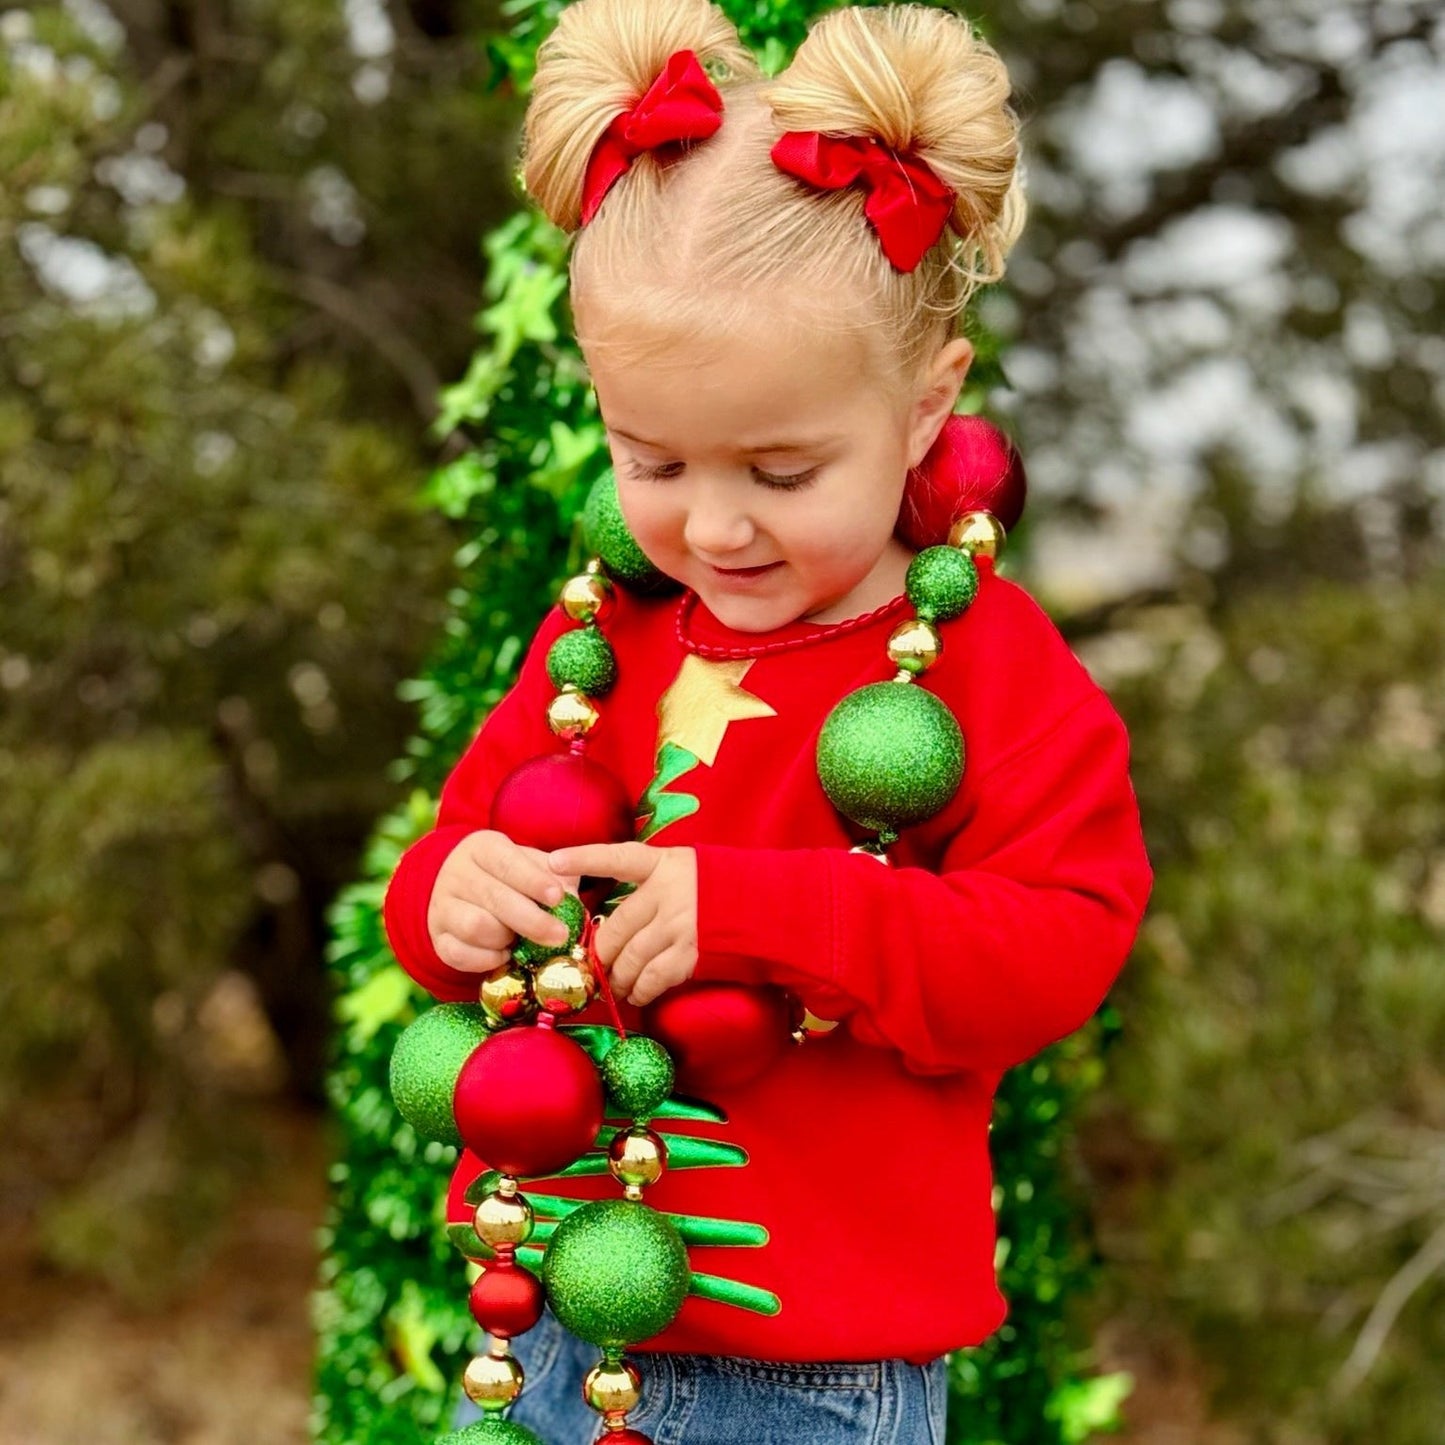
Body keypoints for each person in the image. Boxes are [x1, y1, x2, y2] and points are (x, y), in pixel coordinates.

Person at [381, 1, 1153, 1440]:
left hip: (812, 1377)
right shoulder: (604, 630)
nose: (716, 522)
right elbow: (446, 860)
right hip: (545, 1314)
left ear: (928, 405)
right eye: (652, 457)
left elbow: (1058, 948)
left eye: (784, 469)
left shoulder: (993, 673)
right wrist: (452, 894)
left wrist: (763, 912)